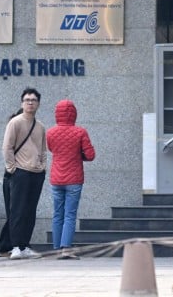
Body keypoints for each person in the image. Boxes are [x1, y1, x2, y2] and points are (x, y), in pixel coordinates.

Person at [46, 99, 96, 259]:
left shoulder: (50, 133)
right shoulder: (81, 132)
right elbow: (90, 155)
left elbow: (51, 149)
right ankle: (66, 249)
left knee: (57, 214)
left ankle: (56, 248)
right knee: (70, 214)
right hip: (74, 179)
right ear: (74, 113)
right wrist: (78, 155)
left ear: (57, 114)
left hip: (56, 178)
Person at [1, 87, 48, 260]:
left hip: (36, 173)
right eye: (27, 100)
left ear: (38, 104)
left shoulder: (40, 126)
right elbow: (7, 147)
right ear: (22, 103)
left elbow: (43, 149)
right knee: (17, 211)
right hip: (19, 172)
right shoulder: (15, 122)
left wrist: (43, 166)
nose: (30, 103)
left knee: (30, 211)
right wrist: (12, 168)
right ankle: (15, 247)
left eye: (33, 100)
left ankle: (25, 246)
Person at [0, 108, 23, 257]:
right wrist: (13, 169)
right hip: (13, 177)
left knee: (16, 213)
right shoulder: (15, 132)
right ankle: (6, 246)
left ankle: (11, 246)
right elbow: (7, 150)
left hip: (15, 177)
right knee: (15, 214)